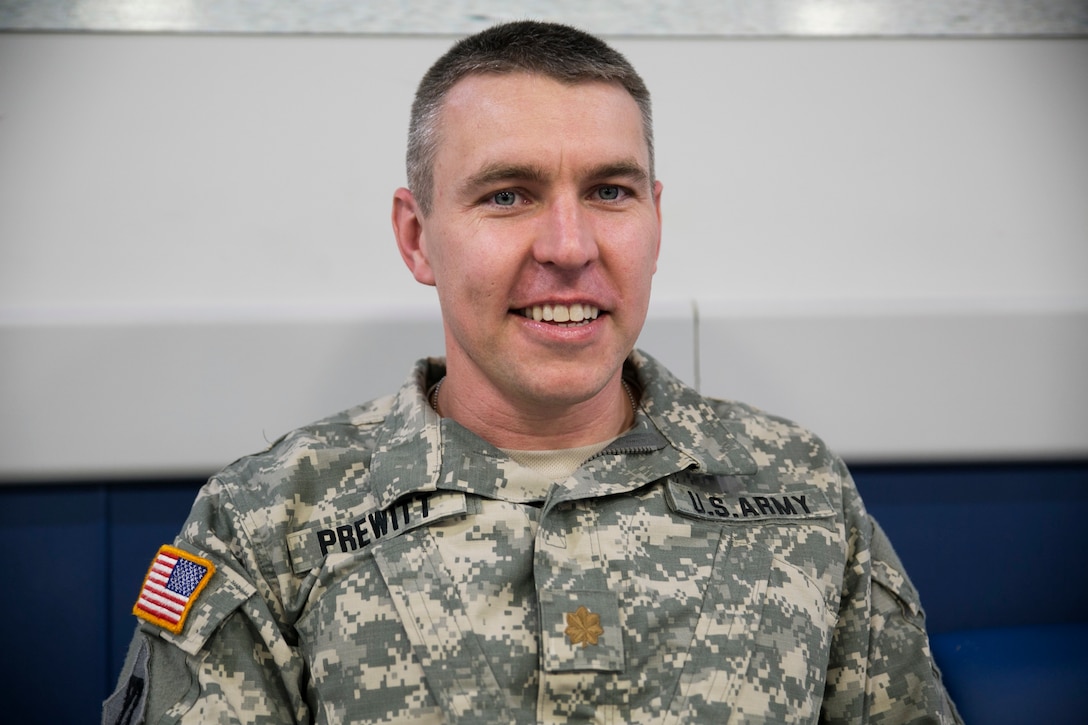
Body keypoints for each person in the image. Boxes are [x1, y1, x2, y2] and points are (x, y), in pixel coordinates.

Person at [104, 20, 961, 725]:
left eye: (610, 192)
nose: (569, 246)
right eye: (507, 195)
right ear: (417, 237)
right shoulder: (266, 524)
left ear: (656, 220)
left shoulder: (800, 490)